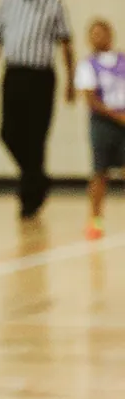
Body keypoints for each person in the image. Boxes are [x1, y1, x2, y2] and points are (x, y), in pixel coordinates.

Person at [0, 0, 75, 219]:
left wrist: (71, 82)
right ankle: (37, 179)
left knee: (37, 137)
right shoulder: (8, 1)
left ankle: (29, 198)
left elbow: (66, 43)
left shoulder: (54, 4)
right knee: (8, 132)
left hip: (42, 77)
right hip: (15, 74)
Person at [74, 19, 125, 241]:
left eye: (101, 33)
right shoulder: (87, 65)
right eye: (92, 34)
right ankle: (95, 220)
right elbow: (91, 100)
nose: (97, 38)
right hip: (103, 122)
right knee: (99, 171)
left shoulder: (122, 60)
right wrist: (116, 116)